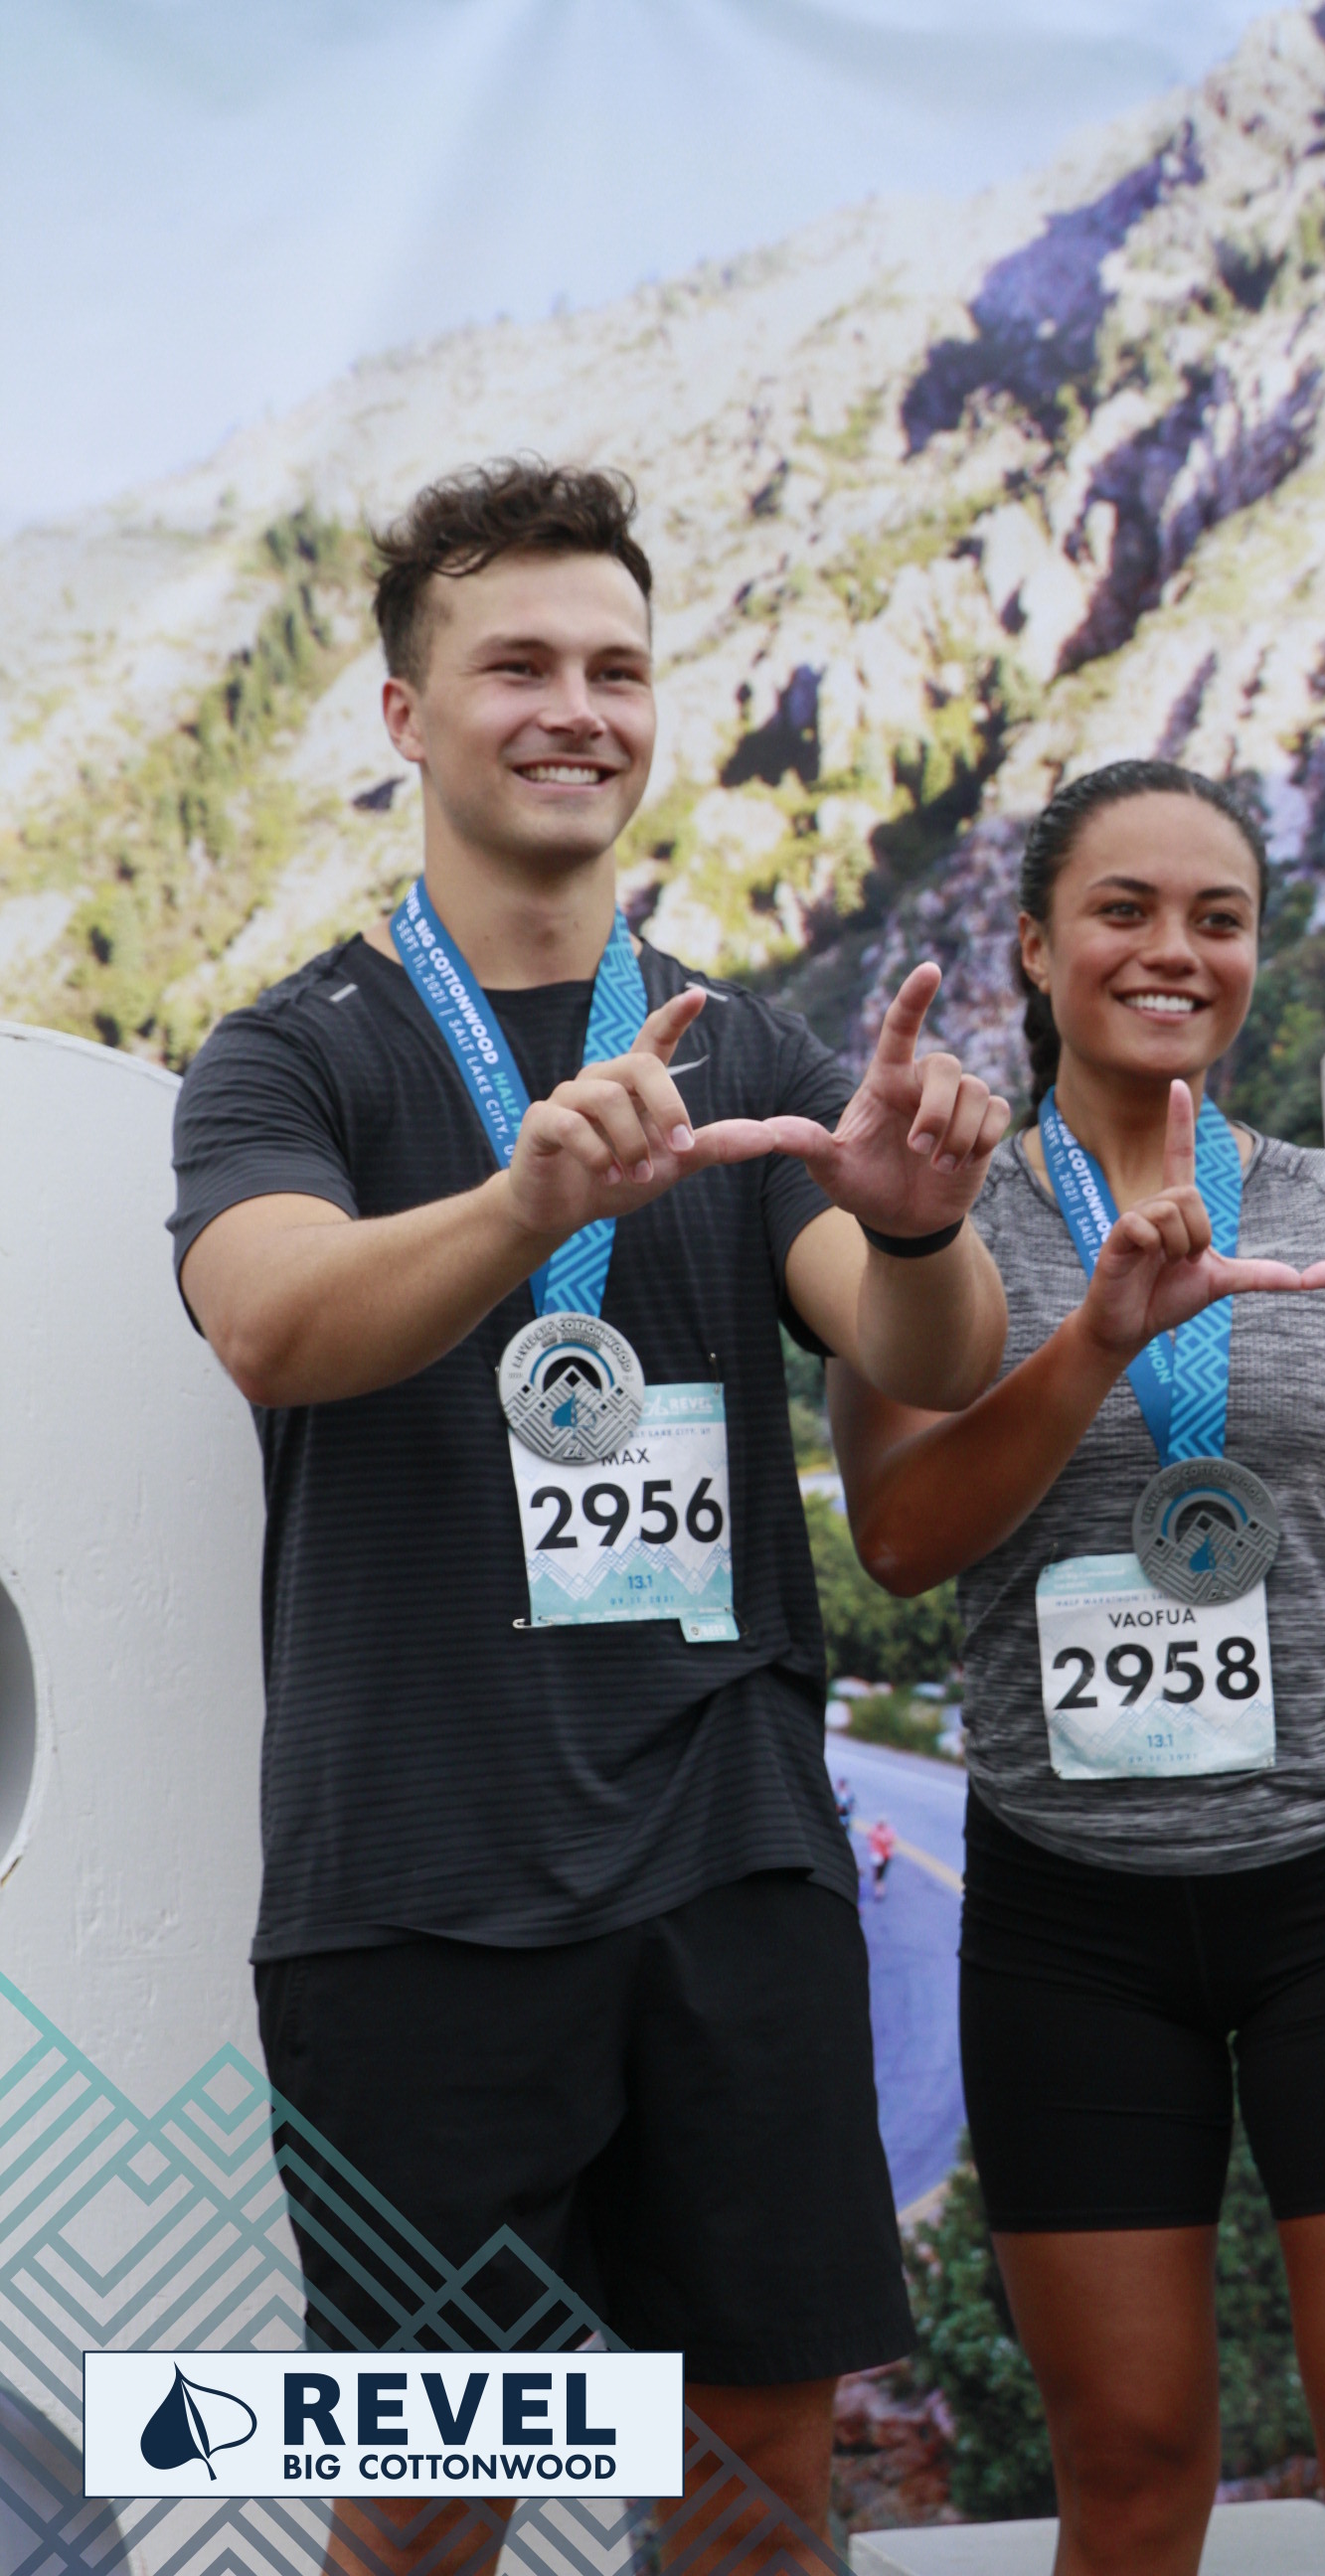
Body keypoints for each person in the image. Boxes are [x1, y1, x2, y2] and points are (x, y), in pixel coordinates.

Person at [170, 459, 1014, 2576]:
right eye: (518, 664)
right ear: (405, 714)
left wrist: (921, 1225)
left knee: (758, 2471)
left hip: (735, 1863)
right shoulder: (294, 1052)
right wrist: (521, 1199)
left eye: (617, 669)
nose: (576, 708)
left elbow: (925, 1347)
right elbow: (269, 1320)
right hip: (414, 1898)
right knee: (429, 2505)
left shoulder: (746, 1042)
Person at [829, 757, 1325, 2576]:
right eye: (1123, 910)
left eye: (1217, 918)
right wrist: (1088, 1340)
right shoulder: (927, 1218)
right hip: (1072, 1910)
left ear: (1252, 954)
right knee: (1131, 2473)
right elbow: (900, 1542)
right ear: (1034, 945)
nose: (1174, 950)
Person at [867, 1817, 897, 1902]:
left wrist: (886, 1841)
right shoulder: (874, 1829)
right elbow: (869, 1836)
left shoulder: (888, 1831)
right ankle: (879, 1891)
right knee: (878, 1873)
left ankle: (879, 1889)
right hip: (877, 1856)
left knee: (881, 1874)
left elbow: (892, 1841)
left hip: (885, 1856)